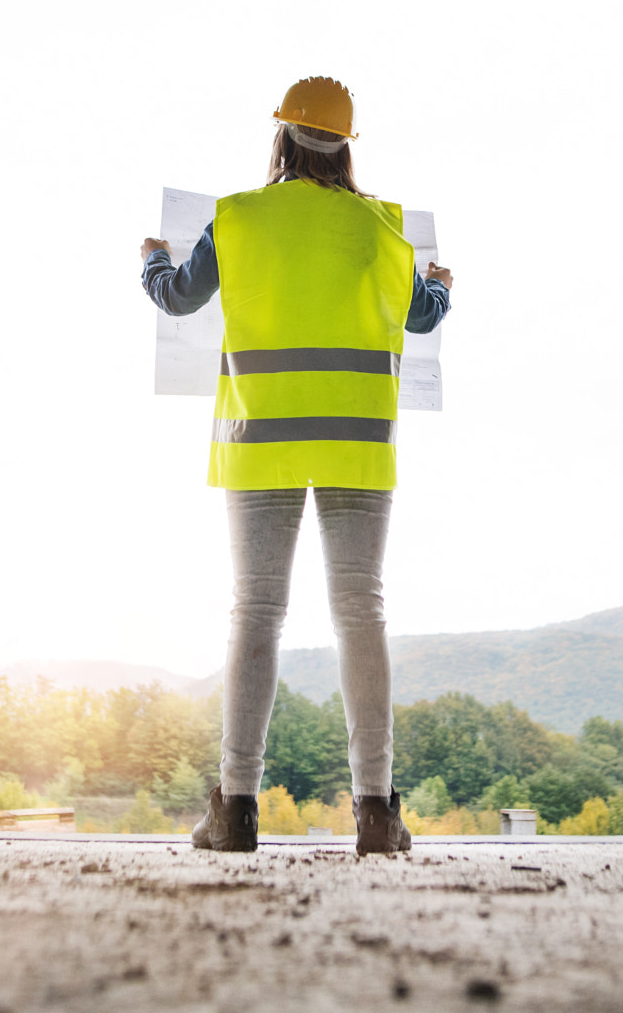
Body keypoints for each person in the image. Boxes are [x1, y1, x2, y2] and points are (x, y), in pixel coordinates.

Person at [139, 77, 453, 855]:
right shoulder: (382, 226)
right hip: (354, 441)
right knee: (360, 612)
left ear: (282, 139)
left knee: (256, 611)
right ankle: (377, 812)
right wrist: (440, 287)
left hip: (263, 440)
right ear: (346, 146)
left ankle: (236, 807)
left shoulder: (237, 218)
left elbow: (179, 297)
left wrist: (150, 262)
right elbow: (419, 316)